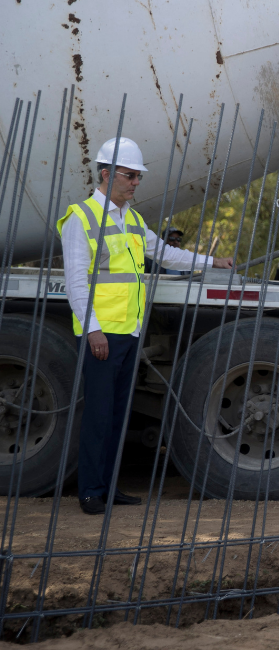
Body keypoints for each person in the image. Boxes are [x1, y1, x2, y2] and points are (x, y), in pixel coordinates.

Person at [57, 137, 234, 514]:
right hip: (102, 334)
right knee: (99, 415)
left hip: (129, 332)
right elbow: (75, 281)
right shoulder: (81, 218)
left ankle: (108, 486)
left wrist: (209, 262)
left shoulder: (132, 219)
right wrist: (92, 330)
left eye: (139, 176)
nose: (137, 182)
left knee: (119, 416)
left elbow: (166, 254)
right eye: (130, 175)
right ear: (106, 174)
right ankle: (89, 490)